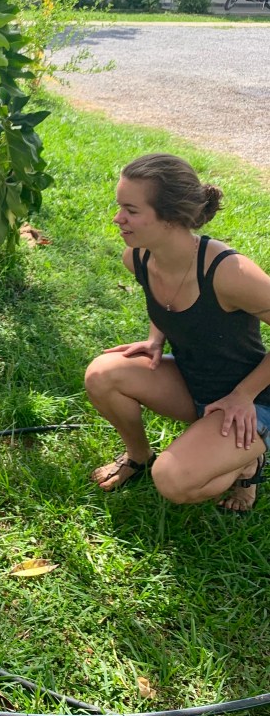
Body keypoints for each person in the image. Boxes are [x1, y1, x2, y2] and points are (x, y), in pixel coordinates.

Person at [84, 153, 270, 512]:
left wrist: (243, 394)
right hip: (193, 382)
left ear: (170, 217)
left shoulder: (228, 272)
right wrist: (156, 338)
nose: (118, 218)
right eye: (119, 206)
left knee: (173, 480)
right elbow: (166, 298)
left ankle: (248, 463)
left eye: (131, 210)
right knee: (102, 374)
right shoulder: (138, 258)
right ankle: (138, 456)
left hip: (254, 401)